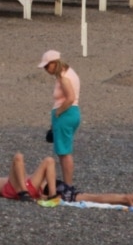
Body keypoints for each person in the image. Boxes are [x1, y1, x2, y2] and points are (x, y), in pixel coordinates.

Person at [0, 153, 133, 210]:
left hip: (33, 187)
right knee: (18, 157)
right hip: (16, 190)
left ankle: (52, 195)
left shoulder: (2, 178)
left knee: (49, 160)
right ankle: (126, 198)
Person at [39, 49, 80, 190]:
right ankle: (67, 184)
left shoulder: (63, 77)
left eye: (47, 66)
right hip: (72, 114)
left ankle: (68, 186)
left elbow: (70, 98)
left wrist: (58, 113)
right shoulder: (69, 72)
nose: (45, 69)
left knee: (64, 152)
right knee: (64, 150)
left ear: (55, 63)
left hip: (66, 114)